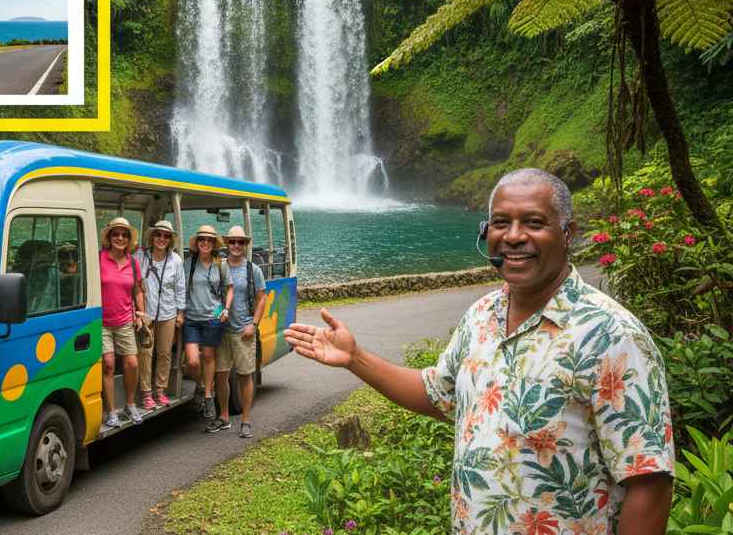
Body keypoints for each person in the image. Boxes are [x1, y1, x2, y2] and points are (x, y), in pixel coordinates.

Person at [285, 168, 674, 535]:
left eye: (534, 222)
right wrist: (356, 358)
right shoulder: (481, 315)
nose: (514, 236)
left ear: (568, 232)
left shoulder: (612, 334)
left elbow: (648, 480)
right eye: (501, 222)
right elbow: (438, 394)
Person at [211, 225, 265, 437]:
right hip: (221, 330)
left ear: (245, 245)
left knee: (244, 375)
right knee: (221, 375)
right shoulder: (218, 267)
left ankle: (245, 420)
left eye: (240, 242)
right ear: (226, 243)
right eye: (232, 241)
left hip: (243, 330)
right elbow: (213, 295)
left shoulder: (253, 270)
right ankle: (224, 417)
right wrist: (217, 314)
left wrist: (254, 323)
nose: (235, 245)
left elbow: (262, 298)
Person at [98, 217, 147, 428]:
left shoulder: (133, 263)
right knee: (108, 365)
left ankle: (129, 404)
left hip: (125, 319)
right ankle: (111, 412)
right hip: (101, 322)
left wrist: (141, 313)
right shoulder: (98, 258)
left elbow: (137, 290)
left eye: (124, 235)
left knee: (132, 363)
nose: (120, 238)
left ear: (128, 240)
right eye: (116, 234)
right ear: (109, 237)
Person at [135, 220, 187, 409]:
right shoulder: (141, 255)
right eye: (158, 235)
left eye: (166, 236)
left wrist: (181, 313)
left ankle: (160, 390)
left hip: (168, 312)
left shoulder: (176, 261)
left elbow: (180, 288)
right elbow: (134, 281)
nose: (162, 239)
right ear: (152, 236)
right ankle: (146, 393)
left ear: (170, 240)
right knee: (145, 353)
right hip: (146, 313)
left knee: (164, 353)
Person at [183, 224, 232, 421]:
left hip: (213, 318)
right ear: (197, 243)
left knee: (209, 357)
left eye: (209, 240)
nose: (205, 243)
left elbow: (229, 288)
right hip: (192, 318)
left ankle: (208, 396)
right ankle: (202, 385)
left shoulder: (221, 264)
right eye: (202, 239)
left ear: (213, 244)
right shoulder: (189, 264)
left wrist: (226, 308)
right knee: (193, 361)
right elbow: (180, 287)